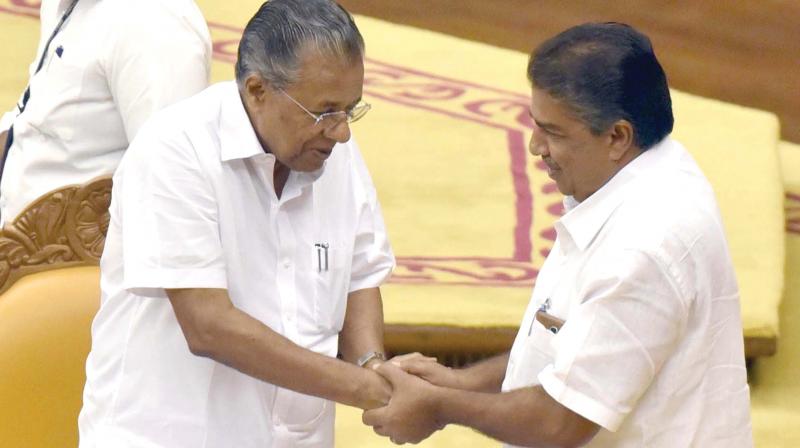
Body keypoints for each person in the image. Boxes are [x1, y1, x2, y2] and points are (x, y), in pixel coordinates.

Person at [363, 22, 753, 447]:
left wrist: (440, 405)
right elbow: (568, 349)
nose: (535, 146)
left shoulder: (643, 248)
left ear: (617, 137)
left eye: (553, 132)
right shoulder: (649, 170)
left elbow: (559, 422)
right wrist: (459, 382)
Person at [78, 0, 398, 446]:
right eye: (325, 111)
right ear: (257, 89)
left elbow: (359, 275)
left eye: (351, 109)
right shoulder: (175, 149)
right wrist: (363, 388)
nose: (341, 131)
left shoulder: (331, 146)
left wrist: (372, 364)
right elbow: (208, 325)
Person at [0, 0, 211, 224]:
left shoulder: (154, 25)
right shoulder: (65, 5)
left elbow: (171, 190)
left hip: (70, 253)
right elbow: (31, 119)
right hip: (14, 227)